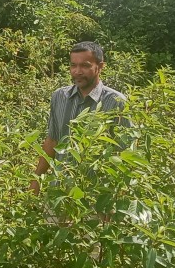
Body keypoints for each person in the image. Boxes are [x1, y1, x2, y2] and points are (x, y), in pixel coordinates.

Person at [30, 41, 128, 194]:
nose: (77, 71)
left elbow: (125, 151)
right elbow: (52, 141)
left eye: (85, 66)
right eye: (73, 65)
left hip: (97, 195)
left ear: (100, 67)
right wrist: (36, 182)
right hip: (59, 191)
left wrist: (116, 199)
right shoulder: (59, 96)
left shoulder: (116, 102)